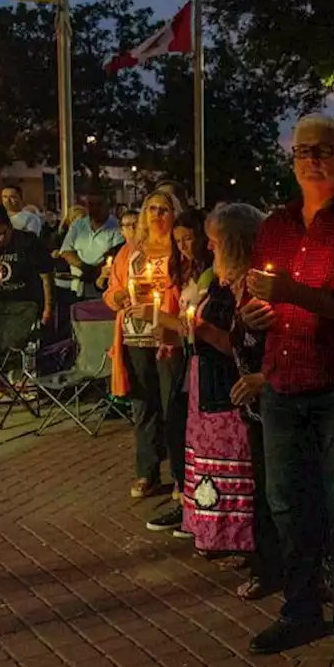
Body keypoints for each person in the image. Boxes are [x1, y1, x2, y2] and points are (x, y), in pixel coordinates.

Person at [241, 114, 334, 667]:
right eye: (302, 150)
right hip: (283, 382)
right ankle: (301, 609)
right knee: (287, 505)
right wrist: (255, 312)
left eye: (323, 150)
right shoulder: (276, 226)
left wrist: (293, 292)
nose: (311, 160)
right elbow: (259, 296)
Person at [180, 203, 280, 599]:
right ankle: (259, 558)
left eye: (216, 242)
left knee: (264, 487)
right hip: (234, 393)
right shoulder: (223, 286)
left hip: (257, 397)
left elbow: (259, 345)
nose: (209, 248)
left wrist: (205, 332)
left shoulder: (260, 287)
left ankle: (269, 564)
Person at [103, 190, 186, 500]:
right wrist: (118, 297)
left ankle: (180, 475)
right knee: (144, 407)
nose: (157, 214)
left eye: (163, 209)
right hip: (135, 335)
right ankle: (147, 471)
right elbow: (112, 290)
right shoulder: (131, 251)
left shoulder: (179, 250)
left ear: (174, 213)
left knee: (173, 407)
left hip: (167, 338)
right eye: (151, 208)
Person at [144, 209, 214, 532]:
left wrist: (159, 318)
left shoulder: (211, 273)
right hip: (187, 356)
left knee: (183, 428)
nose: (185, 246)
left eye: (189, 238)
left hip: (205, 360)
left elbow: (197, 324)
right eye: (179, 241)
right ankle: (185, 501)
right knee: (175, 428)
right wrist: (167, 330)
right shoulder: (186, 269)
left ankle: (194, 506)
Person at [0, 203, 53, 371]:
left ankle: (16, 377)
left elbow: (46, 276)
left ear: (9, 227)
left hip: (24, 303)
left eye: (0, 234)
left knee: (14, 345)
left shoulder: (28, 242)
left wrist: (47, 308)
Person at [58, 188, 122, 300]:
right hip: (77, 284)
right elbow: (66, 251)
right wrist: (84, 267)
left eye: (99, 204)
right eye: (91, 204)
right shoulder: (78, 225)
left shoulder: (117, 227)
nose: (95, 208)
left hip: (104, 284)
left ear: (108, 205)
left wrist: (95, 272)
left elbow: (114, 255)